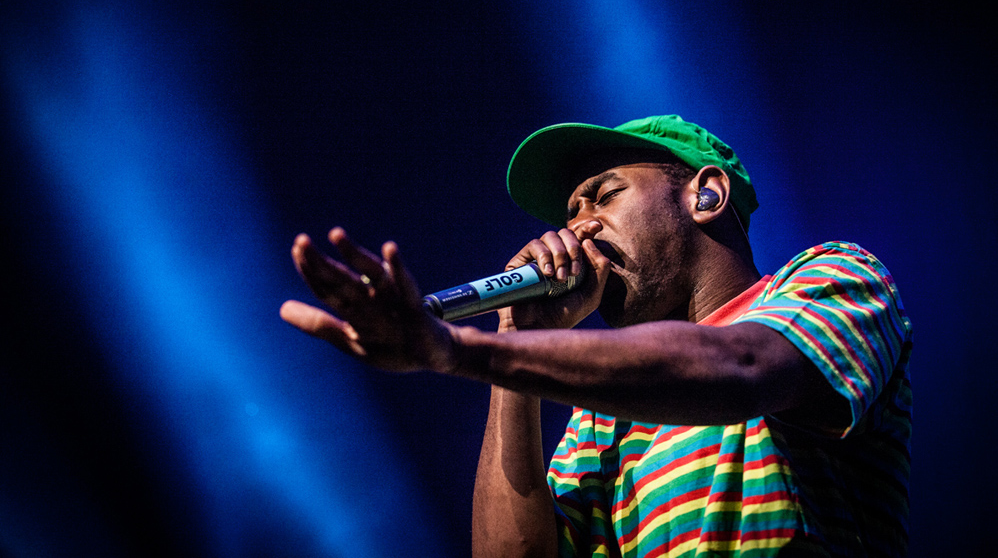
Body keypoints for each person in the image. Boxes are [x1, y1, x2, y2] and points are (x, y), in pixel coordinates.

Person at [280, 115, 912, 557]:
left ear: (706, 194)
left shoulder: (835, 275)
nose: (575, 230)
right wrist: (514, 339)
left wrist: (458, 350)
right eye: (568, 215)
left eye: (601, 196)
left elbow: (742, 367)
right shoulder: (600, 417)